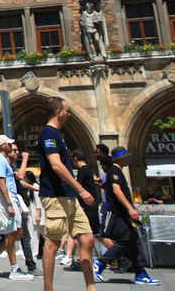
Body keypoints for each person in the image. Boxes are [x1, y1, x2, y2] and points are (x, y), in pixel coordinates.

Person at [36, 97, 99, 291]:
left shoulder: (57, 134)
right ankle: (48, 288)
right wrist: (81, 189)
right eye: (67, 110)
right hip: (55, 196)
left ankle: (91, 287)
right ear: (59, 112)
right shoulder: (48, 133)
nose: (69, 114)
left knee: (87, 239)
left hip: (69, 196)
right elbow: (55, 165)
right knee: (53, 244)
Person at [94, 147, 158, 285]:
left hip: (121, 213)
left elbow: (110, 188)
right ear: (121, 158)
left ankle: (140, 273)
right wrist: (130, 208)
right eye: (127, 156)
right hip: (119, 214)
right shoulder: (115, 170)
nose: (129, 158)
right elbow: (116, 190)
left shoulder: (113, 171)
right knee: (126, 240)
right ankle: (101, 262)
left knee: (132, 241)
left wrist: (102, 185)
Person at [0, 134, 31, 279]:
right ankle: (14, 269)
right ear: (2, 146)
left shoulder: (3, 161)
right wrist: (8, 204)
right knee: (10, 233)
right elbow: (1, 183)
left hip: (11, 198)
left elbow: (18, 176)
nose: (11, 146)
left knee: (16, 233)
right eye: (8, 143)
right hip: (7, 199)